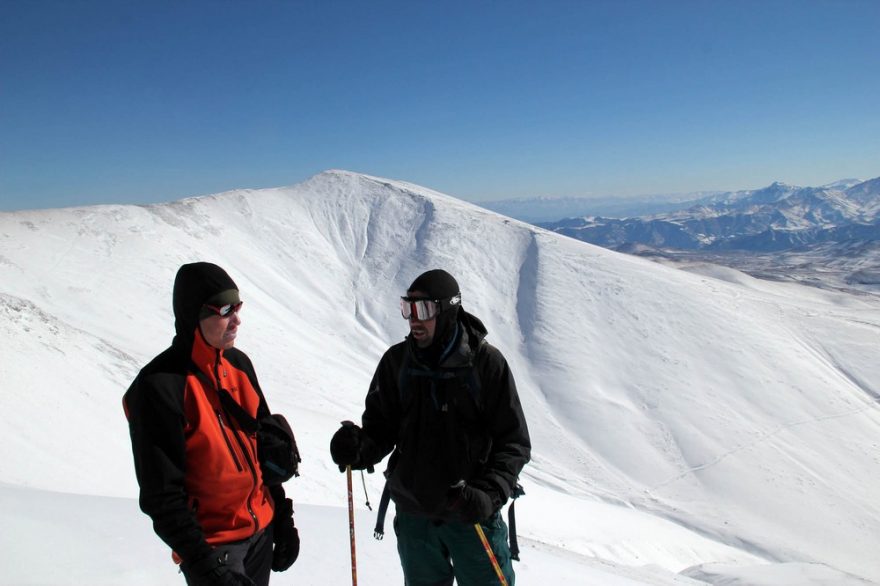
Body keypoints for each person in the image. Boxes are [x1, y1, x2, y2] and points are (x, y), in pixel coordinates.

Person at [330, 269, 531, 585]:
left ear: (448, 310)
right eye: (407, 309)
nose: (413, 320)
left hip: (471, 515)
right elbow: (381, 429)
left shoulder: (485, 364)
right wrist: (359, 448)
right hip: (415, 515)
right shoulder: (398, 363)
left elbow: (514, 443)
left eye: (423, 310)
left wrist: (488, 494)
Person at [123, 262, 299, 586]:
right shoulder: (160, 387)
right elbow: (161, 496)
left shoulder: (239, 366)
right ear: (195, 315)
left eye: (239, 307)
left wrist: (283, 520)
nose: (237, 320)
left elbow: (264, 453)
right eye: (225, 309)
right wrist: (207, 567)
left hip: (261, 535)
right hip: (215, 550)